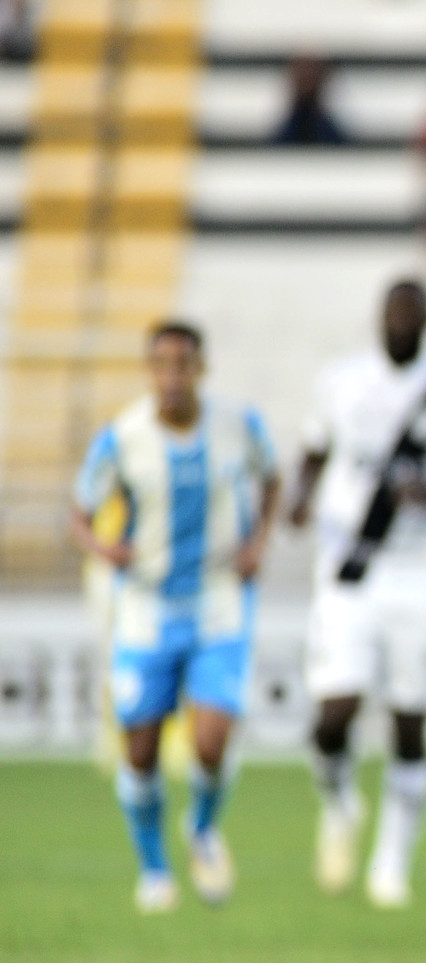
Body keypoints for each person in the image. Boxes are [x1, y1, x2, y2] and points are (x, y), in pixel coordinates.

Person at [287, 279, 426, 908]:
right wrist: (300, 498)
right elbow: (313, 450)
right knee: (333, 715)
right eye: (392, 311)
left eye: (411, 312)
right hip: (351, 561)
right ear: (378, 317)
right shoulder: (341, 383)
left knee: (410, 718)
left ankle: (391, 864)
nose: (400, 321)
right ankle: (339, 805)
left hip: (424, 570)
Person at [69, 321, 279, 911]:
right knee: (141, 749)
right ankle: (155, 869)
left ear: (200, 369)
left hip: (218, 599)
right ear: (149, 369)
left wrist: (259, 540)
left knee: (212, 740)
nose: (171, 376)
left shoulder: (240, 426)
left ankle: (203, 829)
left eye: (182, 364)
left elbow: (274, 476)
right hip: (146, 603)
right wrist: (101, 547)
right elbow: (79, 512)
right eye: (161, 364)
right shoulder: (122, 438)